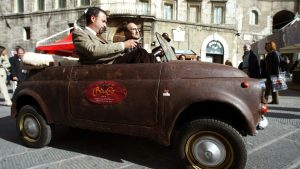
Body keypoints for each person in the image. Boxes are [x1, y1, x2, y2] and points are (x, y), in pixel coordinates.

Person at [72, 7, 156, 64]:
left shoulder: (99, 36)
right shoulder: (79, 33)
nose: (105, 25)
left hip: (113, 63)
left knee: (150, 56)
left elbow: (108, 50)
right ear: (93, 19)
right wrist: (123, 45)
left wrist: (124, 51)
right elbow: (92, 50)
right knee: (140, 53)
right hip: (105, 67)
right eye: (103, 21)